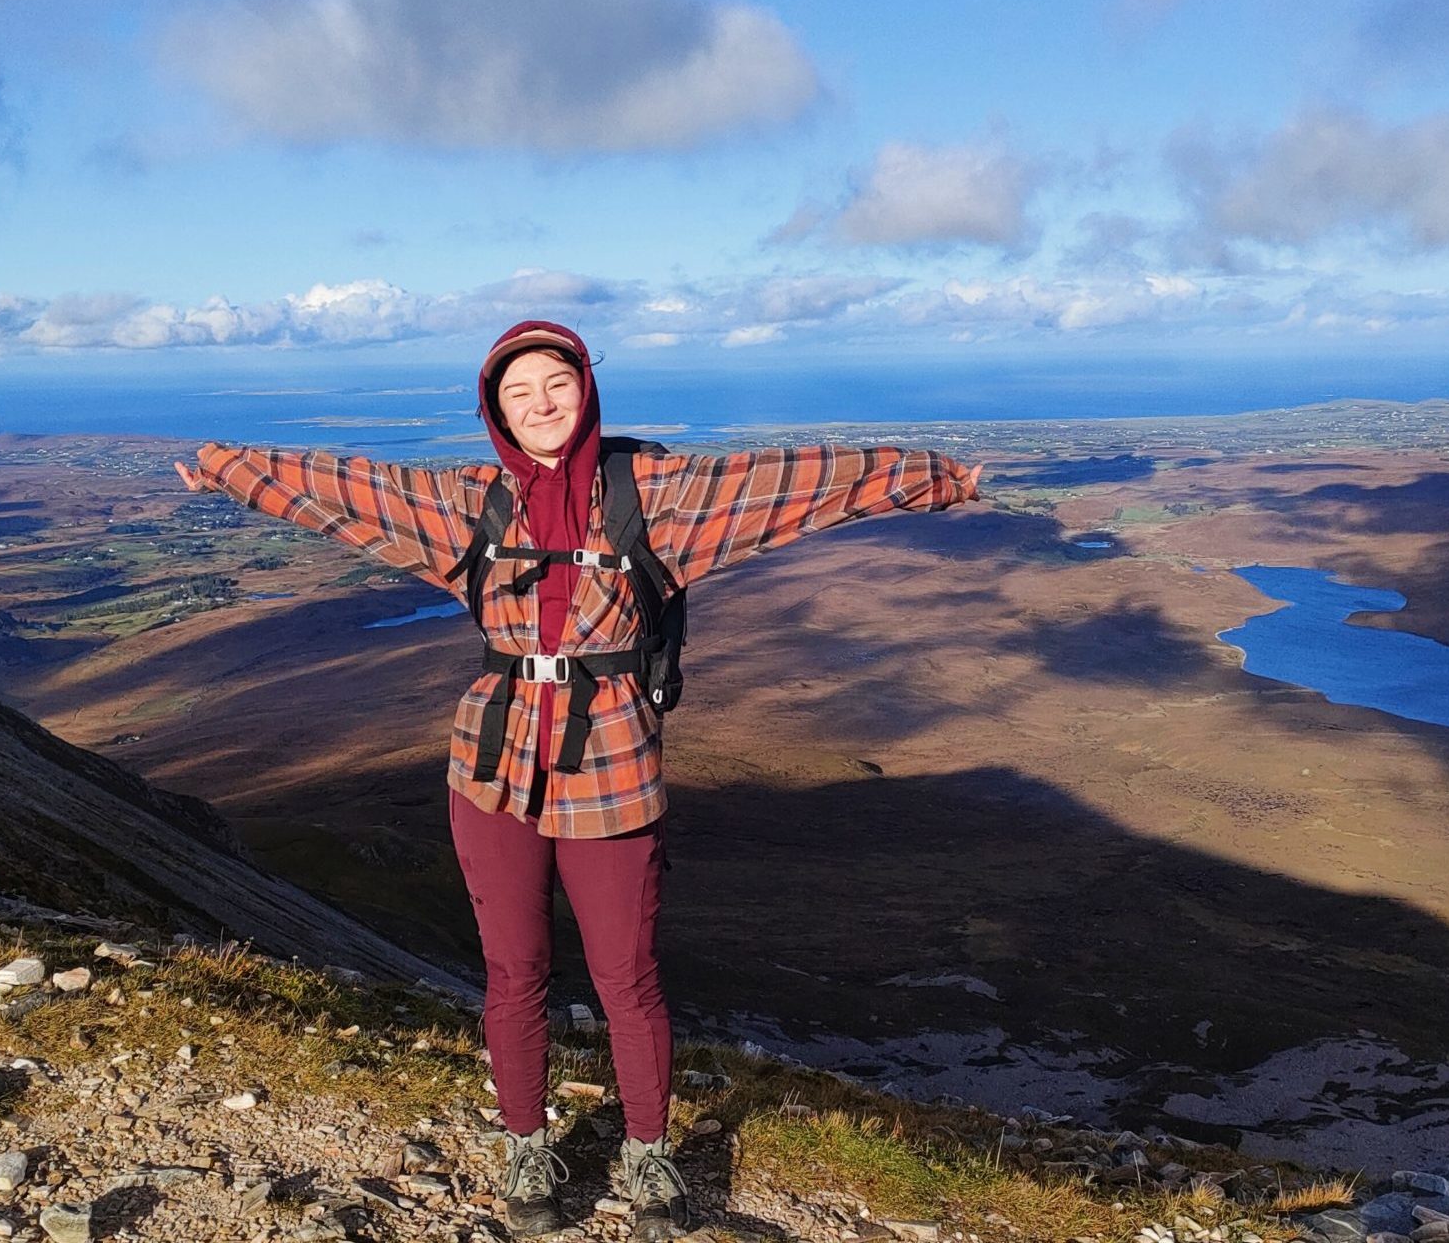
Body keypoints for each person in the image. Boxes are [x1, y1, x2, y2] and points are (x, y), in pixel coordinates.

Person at [175, 320, 985, 1239]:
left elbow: (794, 484)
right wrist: (224, 464)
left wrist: (931, 476)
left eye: (555, 384)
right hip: (490, 761)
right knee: (513, 971)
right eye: (518, 394)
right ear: (496, 411)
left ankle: (648, 1160)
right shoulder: (466, 502)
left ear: (585, 389)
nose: (541, 405)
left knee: (626, 975)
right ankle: (527, 1149)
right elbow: (348, 490)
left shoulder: (656, 496)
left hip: (612, 758)